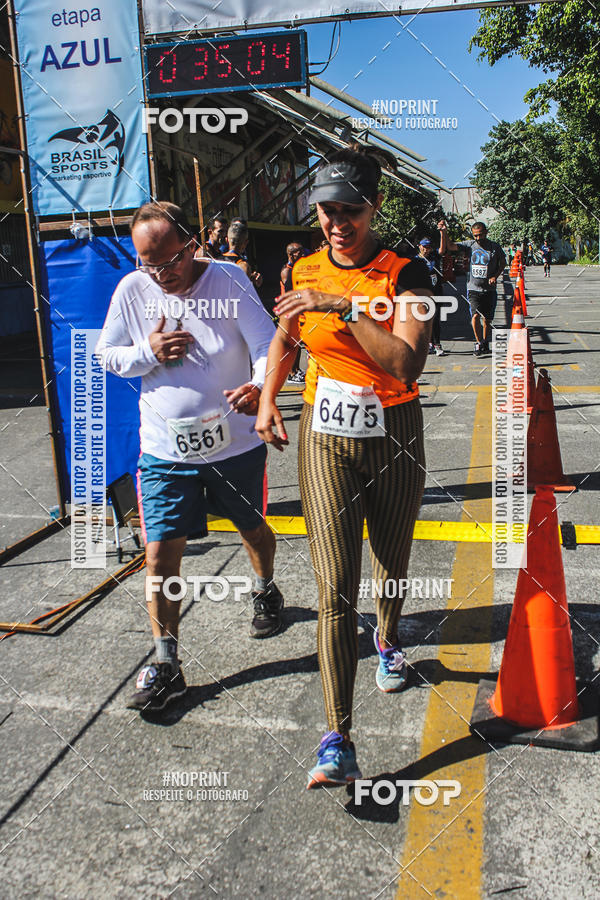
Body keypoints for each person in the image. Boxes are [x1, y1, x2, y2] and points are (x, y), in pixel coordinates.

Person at [255, 147, 433, 787]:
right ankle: (338, 738)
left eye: (349, 211)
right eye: (327, 211)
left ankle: (388, 638)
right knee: (333, 587)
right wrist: (268, 398)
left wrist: (344, 307)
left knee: (390, 561)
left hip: (394, 433)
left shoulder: (406, 274)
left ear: (374, 208)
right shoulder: (302, 269)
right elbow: (286, 336)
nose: (336, 223)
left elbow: (405, 364)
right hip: (324, 435)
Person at [97, 201, 285, 713]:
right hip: (164, 449)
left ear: (193, 243)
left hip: (235, 443)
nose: (161, 274)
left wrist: (258, 387)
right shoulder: (132, 290)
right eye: (148, 263)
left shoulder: (229, 280)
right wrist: (149, 352)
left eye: (171, 260)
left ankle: (265, 588)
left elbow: (267, 344)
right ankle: (166, 663)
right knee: (159, 555)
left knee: (252, 529)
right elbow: (107, 354)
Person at [439, 220, 506, 357]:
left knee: (487, 319)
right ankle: (478, 342)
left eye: (480, 235)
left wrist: (495, 276)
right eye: (475, 235)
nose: (478, 238)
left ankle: (485, 341)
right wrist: (444, 232)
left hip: (489, 289)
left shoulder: (494, 247)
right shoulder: (470, 245)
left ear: (486, 233)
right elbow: (450, 246)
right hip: (473, 288)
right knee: (475, 316)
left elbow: (503, 263)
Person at [280, 242, 306, 385]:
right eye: (299, 252)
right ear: (291, 254)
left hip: (297, 308)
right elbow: (290, 290)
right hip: (289, 310)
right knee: (292, 342)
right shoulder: (287, 270)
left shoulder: (297, 268)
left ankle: (296, 369)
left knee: (298, 342)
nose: (302, 253)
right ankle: (291, 372)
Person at [416, 237, 446, 356]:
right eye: (424, 247)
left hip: (436, 293)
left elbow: (442, 250)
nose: (426, 250)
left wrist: (442, 233)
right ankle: (429, 343)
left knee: (435, 319)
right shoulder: (415, 260)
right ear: (419, 246)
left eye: (428, 247)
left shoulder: (434, 257)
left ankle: (437, 344)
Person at [224, 221, 263, 289]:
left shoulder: (215, 260)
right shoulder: (243, 266)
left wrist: (250, 277)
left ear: (226, 240)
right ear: (246, 242)